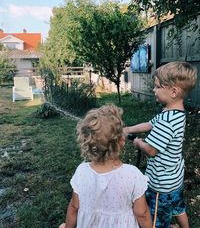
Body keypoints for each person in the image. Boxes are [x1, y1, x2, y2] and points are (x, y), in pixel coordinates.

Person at [123, 61, 197, 228]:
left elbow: (151, 150)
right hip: (174, 178)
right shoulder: (175, 114)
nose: (153, 90)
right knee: (178, 207)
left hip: (161, 184)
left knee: (157, 219)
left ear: (173, 91)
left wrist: (139, 143)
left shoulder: (167, 121)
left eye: (157, 87)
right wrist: (127, 129)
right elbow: (149, 124)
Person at [59, 104, 153, 228]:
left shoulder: (82, 172)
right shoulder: (132, 175)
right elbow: (142, 214)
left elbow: (74, 207)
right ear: (121, 141)